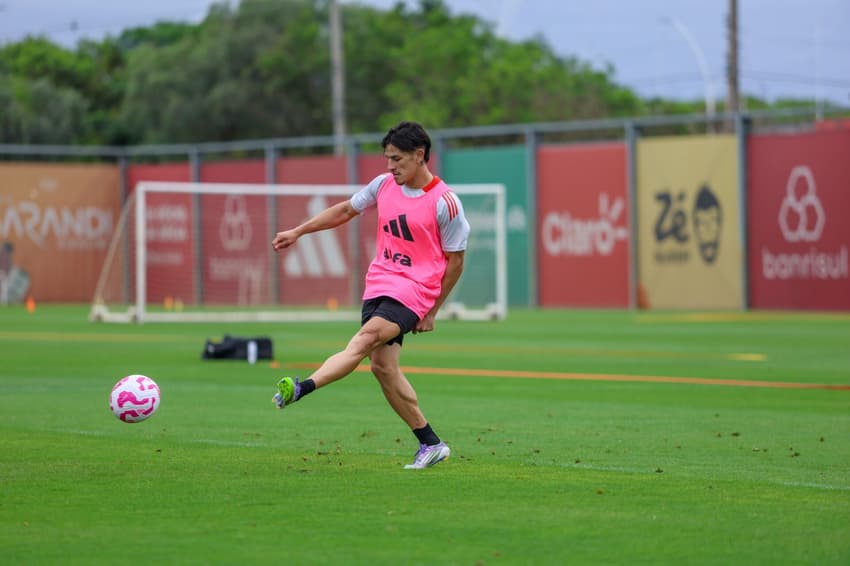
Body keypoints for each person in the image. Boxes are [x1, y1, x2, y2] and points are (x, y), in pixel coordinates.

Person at [271, 121, 470, 469]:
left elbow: (455, 263)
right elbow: (346, 210)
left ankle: (304, 387)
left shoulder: (445, 203)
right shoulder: (382, 185)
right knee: (382, 367)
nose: (390, 166)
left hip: (415, 291)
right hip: (379, 284)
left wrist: (432, 310)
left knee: (362, 342)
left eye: (397, 159)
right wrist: (299, 231)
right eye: (387, 159)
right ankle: (431, 443)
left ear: (419, 155)